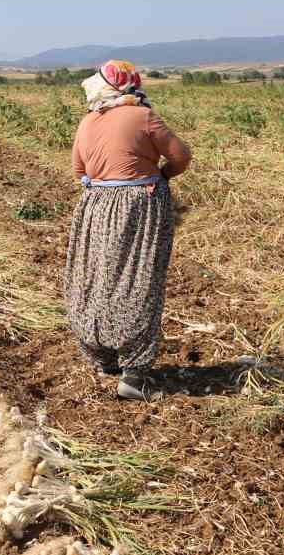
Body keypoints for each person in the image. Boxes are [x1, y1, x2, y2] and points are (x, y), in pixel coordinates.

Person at [63, 60, 192, 400]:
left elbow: (80, 169)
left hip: (96, 204)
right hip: (140, 205)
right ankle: (134, 374)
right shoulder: (143, 117)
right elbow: (181, 156)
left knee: (96, 276)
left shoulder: (89, 120)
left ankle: (103, 357)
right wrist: (161, 175)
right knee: (137, 279)